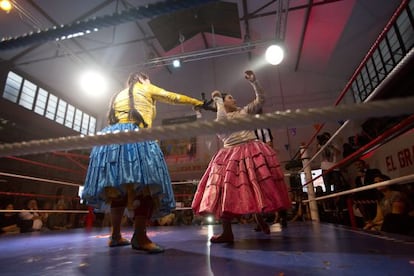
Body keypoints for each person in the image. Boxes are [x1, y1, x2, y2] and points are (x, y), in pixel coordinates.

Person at [82, 71, 203, 253]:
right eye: (148, 80)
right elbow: (172, 97)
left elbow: (111, 117)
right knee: (145, 185)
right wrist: (198, 103)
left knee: (118, 188)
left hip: (111, 139)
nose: (149, 82)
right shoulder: (145, 87)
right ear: (142, 79)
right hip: (137, 136)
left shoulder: (117, 95)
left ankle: (115, 236)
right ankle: (139, 237)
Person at [191, 70, 291, 243]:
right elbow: (222, 118)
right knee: (226, 191)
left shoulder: (244, 112)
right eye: (230, 98)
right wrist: (218, 100)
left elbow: (261, 100)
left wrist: (254, 82)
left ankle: (258, 217)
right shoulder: (219, 119)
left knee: (255, 185)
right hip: (230, 154)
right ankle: (228, 231)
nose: (234, 99)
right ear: (222, 102)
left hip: (251, 149)